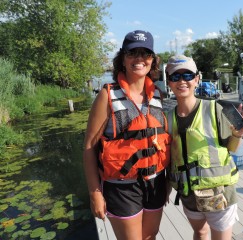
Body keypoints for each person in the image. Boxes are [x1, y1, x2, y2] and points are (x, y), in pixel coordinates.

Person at [83, 30, 171, 240]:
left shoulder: (157, 94)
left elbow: (163, 140)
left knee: (150, 235)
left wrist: (167, 184)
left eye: (145, 54)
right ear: (122, 59)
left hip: (156, 182)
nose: (139, 59)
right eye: (132, 53)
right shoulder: (107, 95)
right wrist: (95, 193)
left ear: (153, 60)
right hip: (121, 187)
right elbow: (88, 148)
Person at [165, 55, 243, 240]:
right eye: (175, 77)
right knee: (200, 232)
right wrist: (166, 190)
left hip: (220, 194)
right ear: (169, 82)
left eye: (187, 76)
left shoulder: (216, 108)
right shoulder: (167, 118)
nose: (182, 81)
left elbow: (232, 148)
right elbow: (168, 158)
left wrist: (237, 135)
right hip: (188, 193)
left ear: (197, 79)